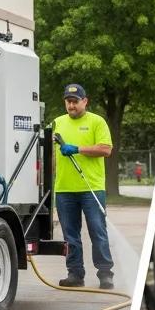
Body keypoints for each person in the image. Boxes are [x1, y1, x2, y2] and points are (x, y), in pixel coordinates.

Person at [52, 84, 114, 289]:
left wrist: (77, 149)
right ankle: (75, 274)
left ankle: (105, 273)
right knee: (70, 235)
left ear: (85, 101)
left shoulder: (97, 122)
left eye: (75, 101)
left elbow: (105, 149)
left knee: (97, 230)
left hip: (92, 188)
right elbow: (52, 156)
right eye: (68, 101)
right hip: (64, 189)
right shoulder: (57, 123)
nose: (71, 105)